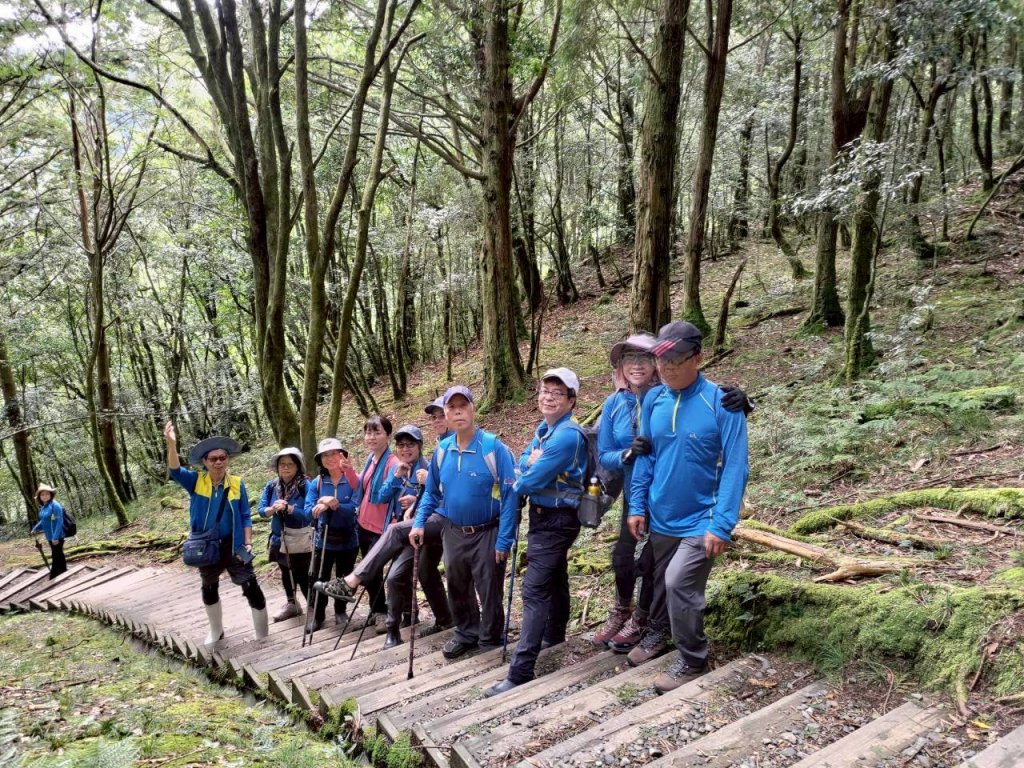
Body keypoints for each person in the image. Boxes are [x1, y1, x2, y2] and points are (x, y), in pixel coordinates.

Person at [594, 335, 751, 654]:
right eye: (629, 359)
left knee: (657, 566)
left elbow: (707, 414)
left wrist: (745, 402)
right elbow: (606, 453)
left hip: (683, 499)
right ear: (620, 367)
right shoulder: (618, 404)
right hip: (640, 494)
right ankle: (624, 613)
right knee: (625, 558)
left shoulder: (670, 391)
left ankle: (648, 622)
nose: (637, 365)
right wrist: (628, 455)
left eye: (644, 358)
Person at [628, 322, 749, 694]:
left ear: (697, 358)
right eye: (661, 361)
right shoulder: (654, 400)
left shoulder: (723, 404)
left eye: (676, 361)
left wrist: (722, 523)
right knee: (661, 581)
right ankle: (661, 633)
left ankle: (693, 659)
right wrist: (637, 504)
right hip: (662, 514)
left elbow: (736, 466)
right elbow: (646, 456)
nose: (666, 369)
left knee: (679, 582)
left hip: (703, 517)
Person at [486, 368, 587, 697]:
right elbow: (523, 462)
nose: (548, 397)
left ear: (571, 401)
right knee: (555, 576)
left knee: (533, 590)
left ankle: (520, 671)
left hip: (558, 520)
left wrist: (528, 467)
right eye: (545, 391)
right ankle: (554, 635)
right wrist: (529, 462)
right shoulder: (545, 430)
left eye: (557, 393)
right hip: (545, 517)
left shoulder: (567, 435)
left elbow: (527, 480)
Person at [316, 414, 454, 646]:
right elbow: (378, 494)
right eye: (402, 445)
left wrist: (418, 498)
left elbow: (441, 497)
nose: (405, 449)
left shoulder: (426, 468)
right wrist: (397, 478)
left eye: (411, 445)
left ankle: (393, 624)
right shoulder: (389, 465)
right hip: (404, 531)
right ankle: (428, 622)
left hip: (418, 529)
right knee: (415, 575)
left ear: (420, 446)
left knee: (400, 576)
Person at [410, 385, 519, 660]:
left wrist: (505, 539)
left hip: (488, 530)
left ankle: (491, 638)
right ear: (446, 414)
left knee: (489, 587)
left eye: (463, 406)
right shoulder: (442, 451)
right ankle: (466, 633)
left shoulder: (493, 448)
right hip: (453, 530)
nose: (458, 412)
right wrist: (419, 522)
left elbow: (510, 497)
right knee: (457, 585)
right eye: (452, 408)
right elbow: (431, 492)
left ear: (473, 409)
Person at [163, 421, 267, 645]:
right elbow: (175, 470)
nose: (218, 462)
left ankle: (262, 635)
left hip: (235, 545)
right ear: (205, 462)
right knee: (209, 587)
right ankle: (216, 631)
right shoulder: (196, 482)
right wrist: (171, 445)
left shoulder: (237, 483)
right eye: (213, 459)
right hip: (207, 546)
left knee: (251, 586)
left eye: (222, 458)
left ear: (228, 459)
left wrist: (248, 542)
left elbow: (245, 515)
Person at [305, 437, 360, 632]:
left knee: (344, 576)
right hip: (324, 540)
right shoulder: (317, 483)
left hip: (348, 538)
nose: (330, 458)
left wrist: (333, 504)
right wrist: (321, 502)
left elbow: (355, 508)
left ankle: (340, 611)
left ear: (343, 455)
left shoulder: (353, 480)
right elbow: (307, 511)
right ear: (320, 460)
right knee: (319, 577)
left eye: (334, 454)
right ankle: (318, 615)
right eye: (325, 455)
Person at [352, 416, 401, 631]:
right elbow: (362, 487)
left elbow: (387, 494)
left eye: (377, 432)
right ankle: (376, 609)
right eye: (368, 432)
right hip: (364, 523)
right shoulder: (371, 459)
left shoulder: (393, 463)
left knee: (375, 570)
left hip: (381, 526)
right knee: (370, 571)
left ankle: (384, 613)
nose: (371, 437)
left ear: (388, 435)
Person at [258, 447, 311, 622]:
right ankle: (292, 603)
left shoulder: (305, 486)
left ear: (298, 466)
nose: (286, 468)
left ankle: (313, 606)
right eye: (282, 464)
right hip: (278, 538)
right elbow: (261, 509)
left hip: (300, 538)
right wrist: (270, 510)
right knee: (285, 571)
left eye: (290, 464)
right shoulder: (272, 486)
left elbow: (309, 515)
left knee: (303, 574)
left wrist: (289, 508)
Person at [30, 483, 67, 580]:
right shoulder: (44, 506)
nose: (45, 496)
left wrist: (56, 537)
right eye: (42, 494)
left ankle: (53, 575)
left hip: (57, 535)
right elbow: (43, 521)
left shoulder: (55, 505)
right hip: (49, 535)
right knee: (59, 554)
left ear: (51, 494)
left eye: (47, 494)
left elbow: (59, 521)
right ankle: (64, 571)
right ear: (39, 497)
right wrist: (35, 528)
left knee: (56, 555)